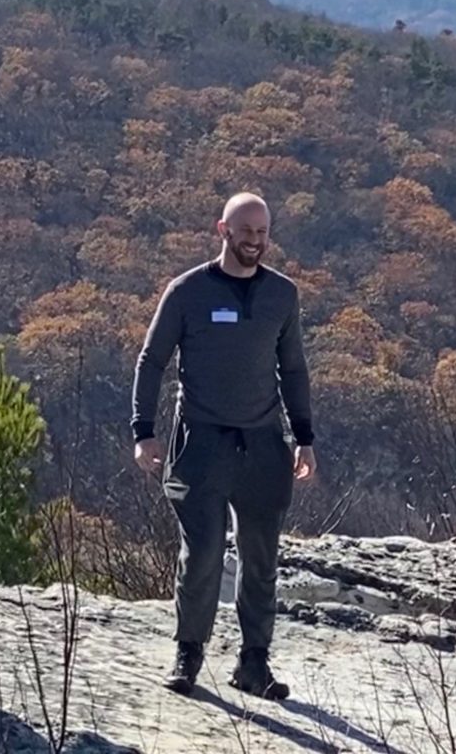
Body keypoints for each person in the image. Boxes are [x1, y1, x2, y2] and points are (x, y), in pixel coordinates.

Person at [131, 192, 316, 699]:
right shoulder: (187, 291)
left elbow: (294, 368)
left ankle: (254, 663)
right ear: (223, 230)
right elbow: (152, 361)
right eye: (246, 231)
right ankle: (188, 654)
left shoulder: (283, 295)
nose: (255, 241)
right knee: (204, 551)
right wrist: (143, 431)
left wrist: (304, 439)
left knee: (261, 558)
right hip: (201, 443)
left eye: (262, 232)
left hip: (262, 445)